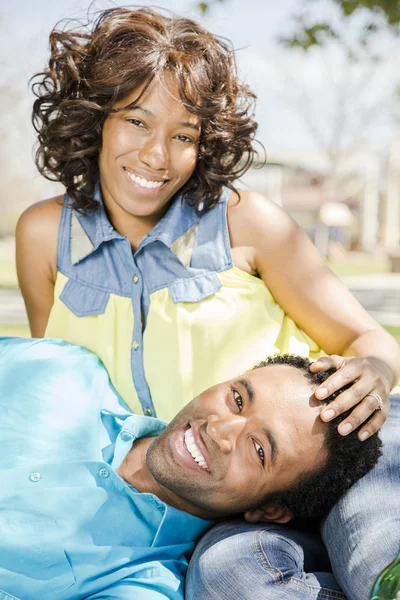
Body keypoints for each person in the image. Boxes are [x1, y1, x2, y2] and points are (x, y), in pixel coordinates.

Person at [15, 6, 400, 599]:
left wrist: (376, 369)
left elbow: (366, 340)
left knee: (374, 520)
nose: (156, 156)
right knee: (227, 574)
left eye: (183, 135)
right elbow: (60, 378)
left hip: (323, 436)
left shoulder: (246, 222)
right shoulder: (44, 237)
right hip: (213, 495)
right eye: (136, 121)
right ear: (96, 120)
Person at [0, 337, 382, 600]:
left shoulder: (142, 583)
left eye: (258, 449)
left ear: (269, 510)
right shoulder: (64, 369)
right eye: (237, 398)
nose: (217, 429)